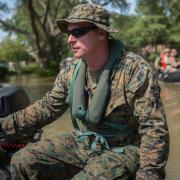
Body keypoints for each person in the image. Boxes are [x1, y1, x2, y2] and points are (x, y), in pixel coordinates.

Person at [0, 3, 169, 180]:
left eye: (78, 32)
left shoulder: (135, 69)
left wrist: (149, 173)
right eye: (69, 33)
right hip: (87, 142)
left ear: (102, 33)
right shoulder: (70, 74)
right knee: (22, 160)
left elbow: (154, 128)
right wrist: (3, 126)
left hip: (126, 149)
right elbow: (45, 108)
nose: (70, 40)